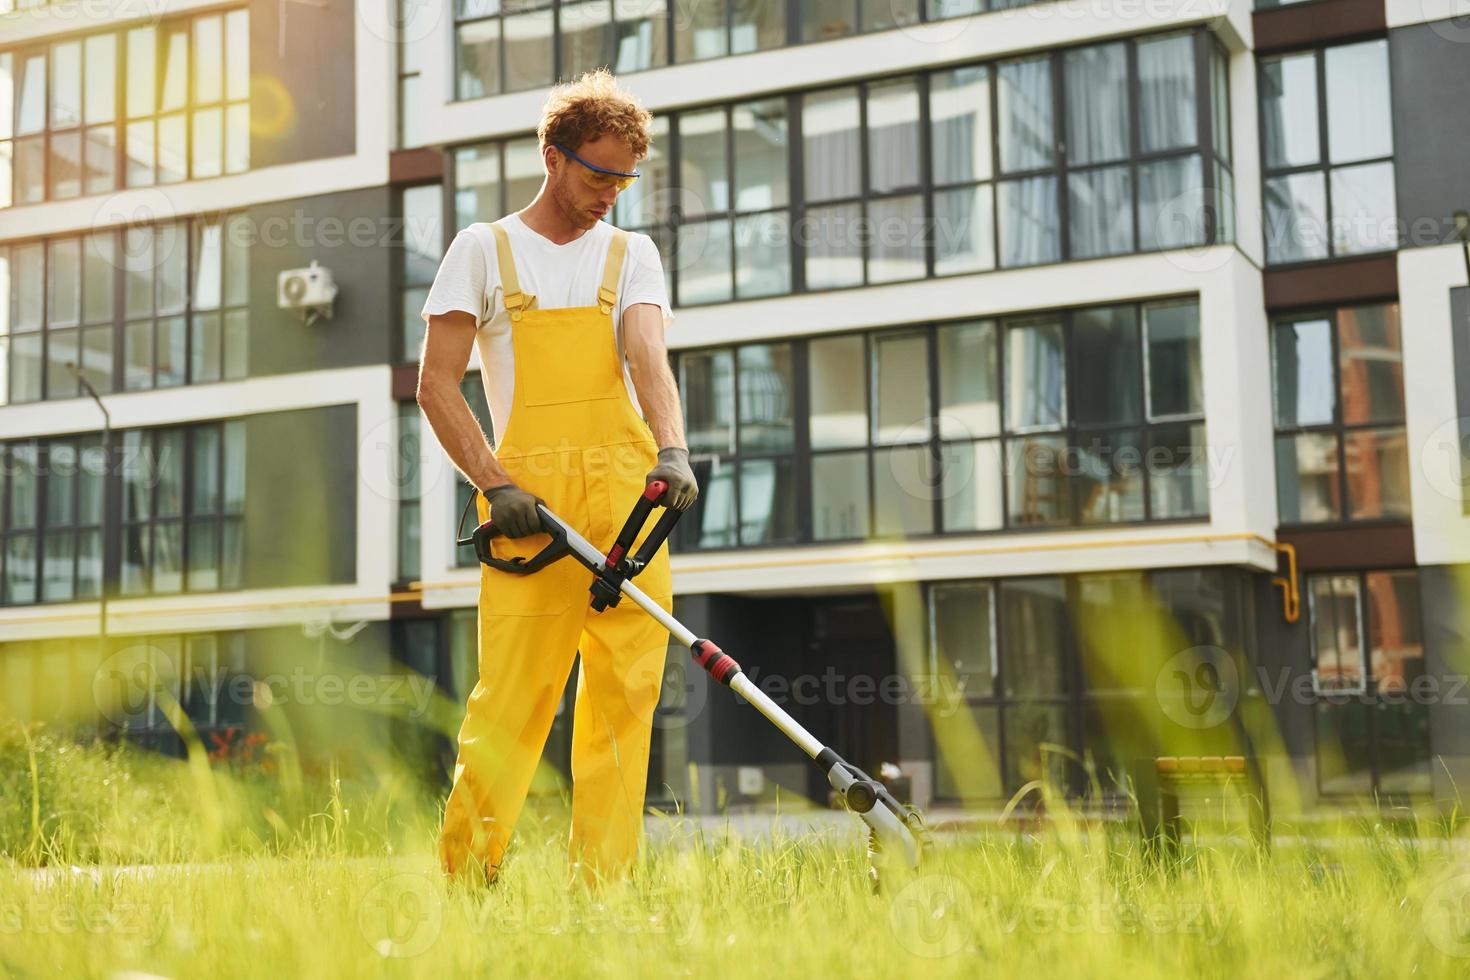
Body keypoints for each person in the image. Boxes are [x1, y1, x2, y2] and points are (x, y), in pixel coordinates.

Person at [415, 68, 698, 886]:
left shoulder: (630, 252)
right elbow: (437, 383)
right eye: (597, 172)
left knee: (624, 699)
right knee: (511, 700)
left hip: (626, 501)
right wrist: (493, 482)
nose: (612, 190)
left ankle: (601, 894)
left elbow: (648, 357)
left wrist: (671, 448)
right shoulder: (484, 250)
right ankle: (469, 879)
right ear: (553, 155)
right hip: (528, 508)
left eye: (624, 177)